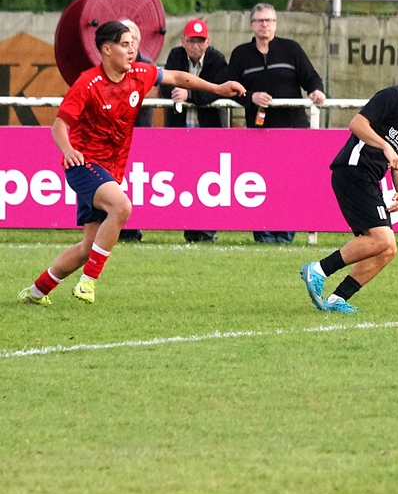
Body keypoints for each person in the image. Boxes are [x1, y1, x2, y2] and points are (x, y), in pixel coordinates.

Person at [18, 21, 245, 306]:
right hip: (83, 165)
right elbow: (59, 126)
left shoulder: (140, 74)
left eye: (133, 44)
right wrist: (68, 150)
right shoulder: (88, 83)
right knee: (122, 207)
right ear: (106, 49)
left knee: (88, 247)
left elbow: (178, 77)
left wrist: (218, 88)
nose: (132, 50)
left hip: (110, 169)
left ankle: (37, 291)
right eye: (125, 45)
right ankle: (88, 281)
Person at [298, 48, 398, 313]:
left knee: (387, 249)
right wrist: (385, 146)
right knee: (383, 240)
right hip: (353, 170)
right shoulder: (393, 97)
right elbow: (357, 124)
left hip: (369, 178)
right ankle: (318, 270)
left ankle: (337, 299)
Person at [228, 3, 326, 243]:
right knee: (258, 182)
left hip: (293, 130)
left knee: (290, 184)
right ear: (251, 25)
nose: (265, 25)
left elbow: (311, 77)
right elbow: (229, 87)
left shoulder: (291, 49)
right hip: (259, 132)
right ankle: (263, 234)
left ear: (276, 24)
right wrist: (251, 97)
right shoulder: (241, 54)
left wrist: (316, 91)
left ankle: (286, 234)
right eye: (260, 20)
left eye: (269, 20)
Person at [161, 18, 230, 242]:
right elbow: (165, 85)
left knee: (211, 182)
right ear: (183, 41)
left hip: (209, 133)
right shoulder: (175, 56)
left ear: (207, 42)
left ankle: (208, 230)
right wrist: (176, 93)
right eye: (191, 41)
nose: (196, 46)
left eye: (200, 41)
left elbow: (217, 90)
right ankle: (190, 228)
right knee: (185, 182)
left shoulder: (217, 60)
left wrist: (189, 94)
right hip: (181, 132)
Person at [117, 19, 154, 242]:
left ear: (138, 42)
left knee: (136, 183)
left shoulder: (147, 66)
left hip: (138, 133)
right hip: (112, 135)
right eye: (123, 40)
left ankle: (133, 229)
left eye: (131, 40)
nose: (128, 45)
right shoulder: (107, 65)